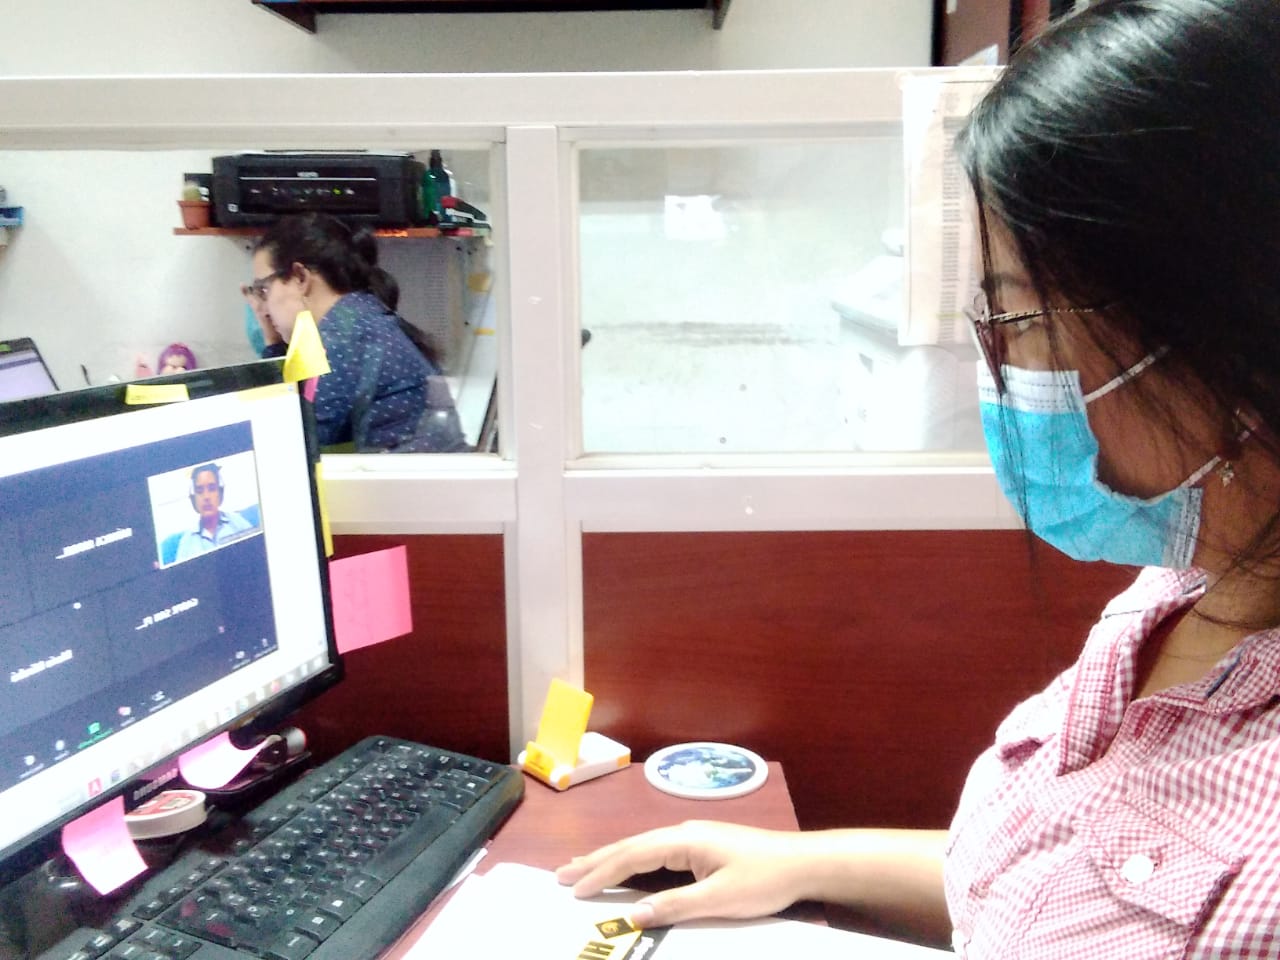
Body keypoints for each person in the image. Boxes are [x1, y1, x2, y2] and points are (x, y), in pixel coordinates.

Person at [555, 1, 1280, 955]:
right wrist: (804, 864)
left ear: (1233, 333)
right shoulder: (1178, 594)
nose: (1004, 373)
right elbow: (1058, 882)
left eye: (1022, 320)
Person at [247, 212, 466, 452]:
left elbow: (286, 445)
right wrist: (273, 341)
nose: (263, 309)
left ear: (300, 277)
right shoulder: (357, 318)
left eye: (263, 289)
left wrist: (272, 346)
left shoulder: (340, 343)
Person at [173, 463, 254, 561]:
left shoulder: (237, 522)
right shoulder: (187, 542)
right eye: (199, 491)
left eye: (212, 489)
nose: (206, 497)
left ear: (220, 493)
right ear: (194, 498)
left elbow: (256, 552)